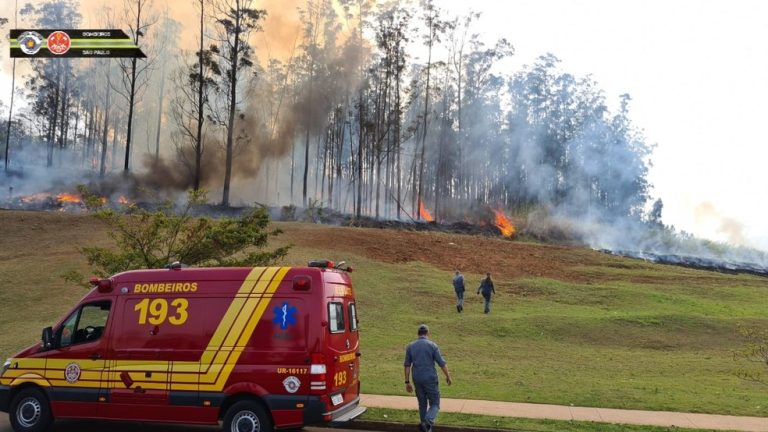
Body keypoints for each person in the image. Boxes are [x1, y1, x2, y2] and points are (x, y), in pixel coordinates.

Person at [404, 324, 452, 432]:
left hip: (417, 378)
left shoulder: (410, 346)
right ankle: (427, 422)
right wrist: (448, 376)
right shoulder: (432, 345)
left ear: (418, 334)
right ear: (428, 333)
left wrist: (407, 382)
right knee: (435, 404)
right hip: (430, 378)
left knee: (422, 404)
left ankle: (425, 428)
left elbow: (407, 365)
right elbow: (441, 363)